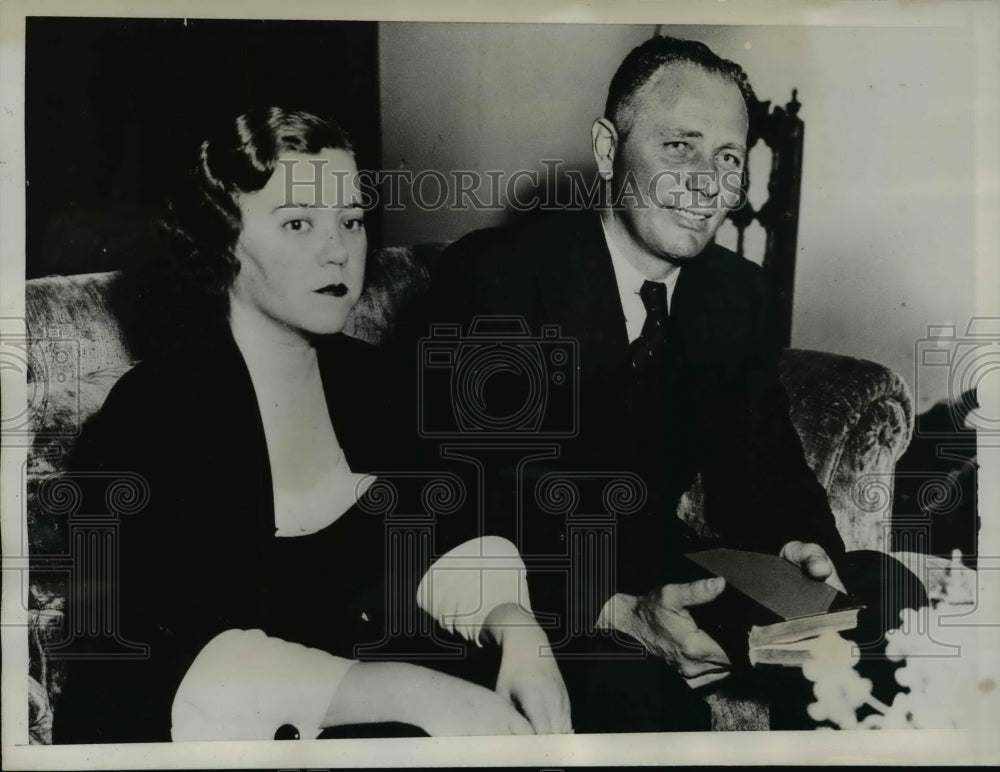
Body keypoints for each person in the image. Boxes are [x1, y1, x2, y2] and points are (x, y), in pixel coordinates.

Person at [413, 35, 925, 730]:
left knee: (888, 595)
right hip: (543, 595)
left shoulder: (733, 293)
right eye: (678, 148)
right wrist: (624, 613)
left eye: (727, 159)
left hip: (670, 570)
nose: (706, 184)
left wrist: (804, 551)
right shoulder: (497, 278)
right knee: (642, 703)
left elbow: (765, 471)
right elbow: (465, 506)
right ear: (607, 151)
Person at [52, 107, 570, 743]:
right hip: (242, 739)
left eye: (351, 221)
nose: (339, 250)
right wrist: (419, 693)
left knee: (624, 690)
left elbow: (444, 532)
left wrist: (516, 626)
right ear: (224, 242)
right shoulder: (155, 412)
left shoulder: (376, 381)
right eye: (299, 223)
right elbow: (157, 656)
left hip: (387, 690)